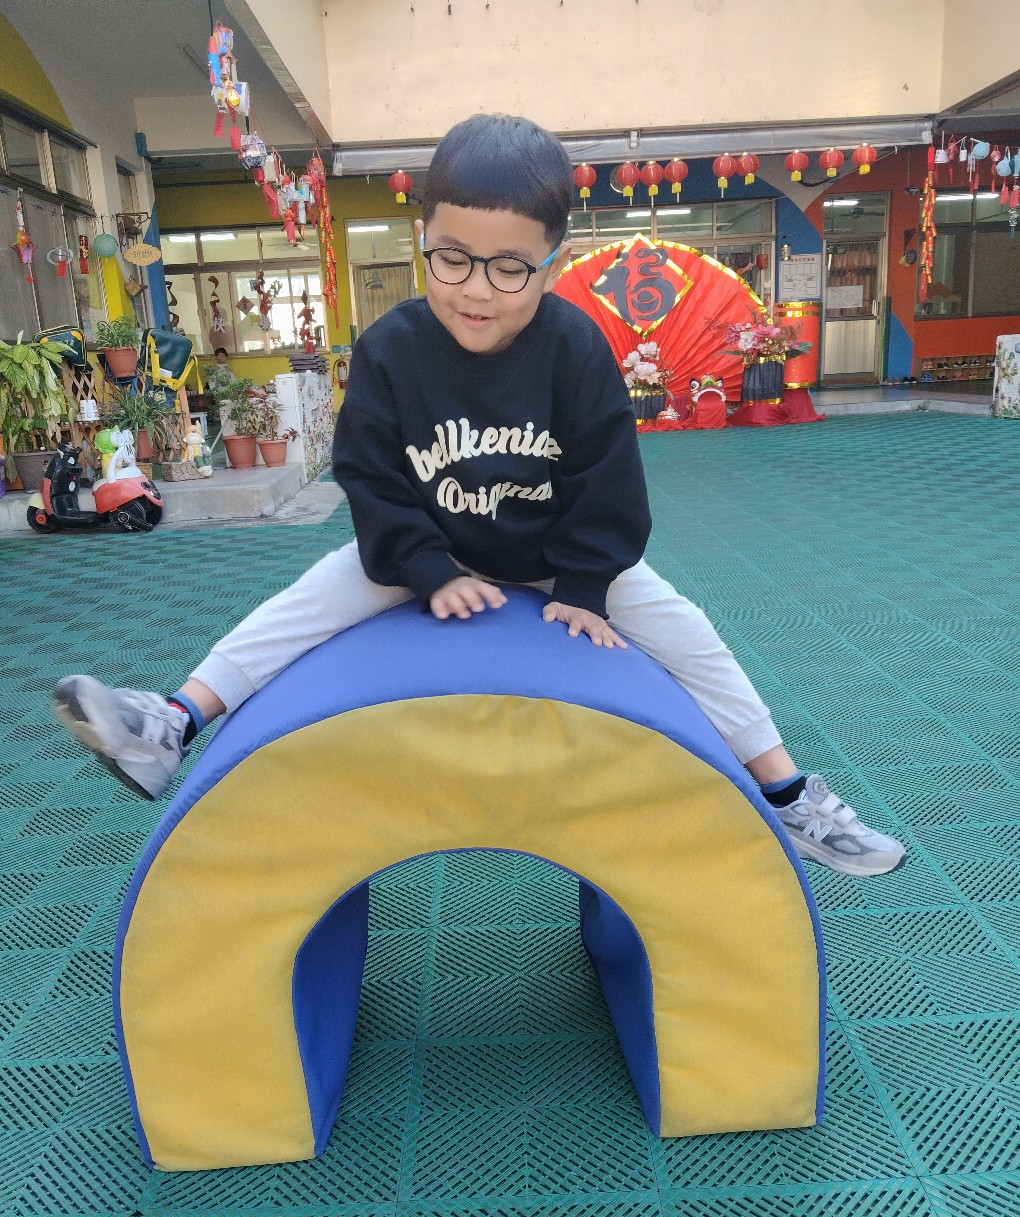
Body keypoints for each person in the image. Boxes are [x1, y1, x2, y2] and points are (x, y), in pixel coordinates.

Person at [53, 114, 905, 878]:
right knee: (301, 606)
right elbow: (370, 475)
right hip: (433, 548)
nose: (475, 289)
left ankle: (788, 794)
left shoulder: (575, 350)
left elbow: (607, 481)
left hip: (553, 554)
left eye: (509, 269)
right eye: (453, 258)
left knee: (690, 634)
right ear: (424, 239)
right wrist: (426, 568)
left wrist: (584, 588)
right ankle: (172, 722)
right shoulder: (391, 350)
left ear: (550, 265)